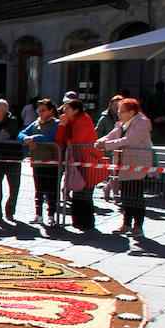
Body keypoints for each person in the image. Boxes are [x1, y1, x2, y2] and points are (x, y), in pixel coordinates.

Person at [95, 98, 153, 237]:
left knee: (136, 196)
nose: (119, 114)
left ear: (132, 112)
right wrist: (101, 141)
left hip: (136, 165)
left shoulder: (141, 123)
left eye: (122, 111)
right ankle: (126, 224)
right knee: (126, 196)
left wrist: (107, 145)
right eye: (119, 111)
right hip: (123, 165)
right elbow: (113, 134)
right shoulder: (122, 124)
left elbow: (129, 140)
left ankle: (138, 226)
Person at [58, 99, 102, 232]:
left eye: (67, 108)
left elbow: (76, 141)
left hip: (86, 160)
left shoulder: (83, 119)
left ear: (76, 110)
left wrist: (67, 139)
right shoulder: (71, 120)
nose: (64, 111)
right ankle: (78, 221)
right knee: (78, 192)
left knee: (85, 192)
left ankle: (86, 222)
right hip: (76, 160)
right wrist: (63, 125)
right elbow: (59, 139)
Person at [20, 98, 62, 225]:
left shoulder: (56, 123)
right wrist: (27, 139)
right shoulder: (35, 123)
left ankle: (51, 215)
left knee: (52, 189)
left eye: (43, 110)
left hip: (51, 161)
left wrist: (34, 138)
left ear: (51, 111)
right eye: (39, 110)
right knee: (39, 189)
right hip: (37, 161)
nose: (40, 113)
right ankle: (38, 214)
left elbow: (51, 137)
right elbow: (21, 134)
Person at [144, 80, 165, 145]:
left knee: (155, 140)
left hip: (154, 122)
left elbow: (147, 109)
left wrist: (154, 118)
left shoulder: (150, 97)